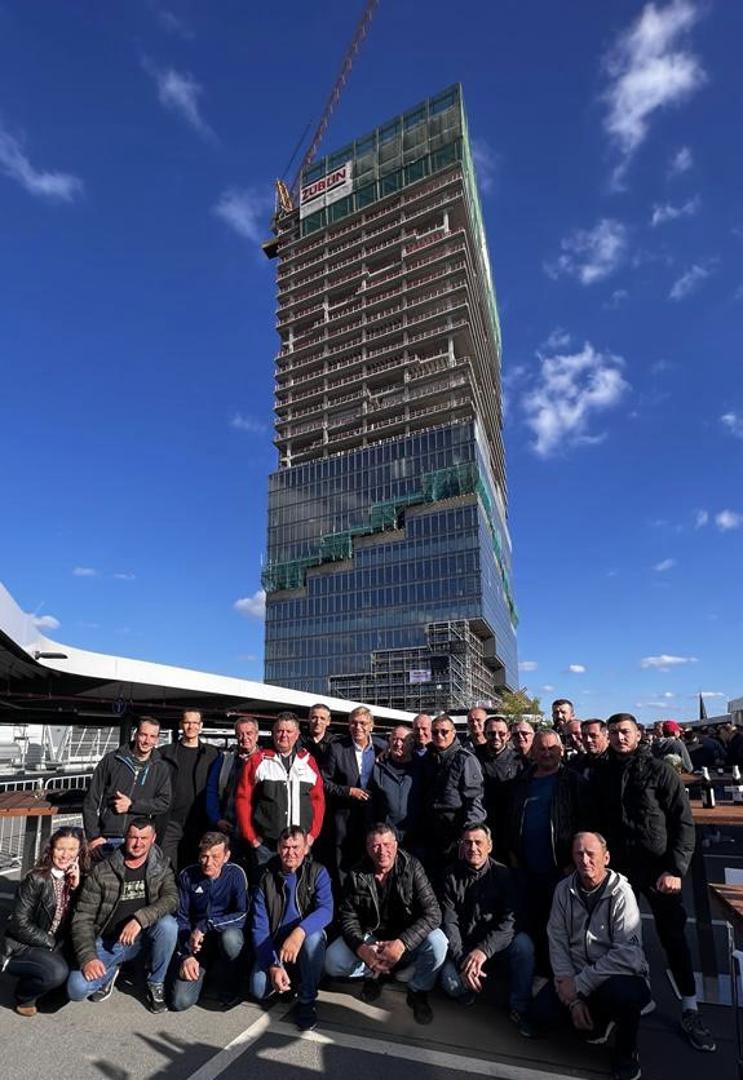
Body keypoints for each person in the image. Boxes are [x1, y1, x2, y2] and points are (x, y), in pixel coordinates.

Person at [592, 713, 716, 1053]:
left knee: (672, 937)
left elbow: (683, 823)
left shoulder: (660, 770)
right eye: (613, 732)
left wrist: (676, 868)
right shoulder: (602, 772)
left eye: (625, 732)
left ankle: (690, 1007)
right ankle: (634, 1000)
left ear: (638, 735)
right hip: (619, 871)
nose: (619, 737)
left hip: (659, 870)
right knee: (621, 939)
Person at [545, 832, 651, 1080]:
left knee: (625, 996)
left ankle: (626, 1054)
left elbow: (628, 955)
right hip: (578, 975)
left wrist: (579, 985)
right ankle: (597, 1023)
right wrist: (572, 998)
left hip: (614, 976)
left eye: (591, 854)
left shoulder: (622, 893)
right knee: (539, 1016)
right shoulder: (563, 889)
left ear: (606, 857)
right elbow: (557, 942)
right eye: (579, 854)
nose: (585, 860)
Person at [325, 823, 447, 1024]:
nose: (382, 851)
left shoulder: (412, 867)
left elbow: (433, 913)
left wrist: (402, 943)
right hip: (373, 939)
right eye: (375, 846)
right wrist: (362, 950)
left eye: (387, 845)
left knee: (439, 942)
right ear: (367, 848)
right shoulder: (356, 873)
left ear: (396, 845)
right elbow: (348, 917)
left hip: (406, 940)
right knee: (332, 961)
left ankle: (418, 990)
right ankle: (377, 974)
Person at [67, 818, 178, 1013]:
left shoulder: (161, 865)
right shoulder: (103, 870)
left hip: (144, 940)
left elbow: (172, 898)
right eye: (133, 837)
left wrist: (140, 919)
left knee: (168, 925)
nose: (138, 843)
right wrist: (89, 957)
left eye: (144, 838)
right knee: (76, 989)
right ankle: (111, 970)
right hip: (110, 942)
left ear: (153, 838)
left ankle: (156, 982)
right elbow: (82, 917)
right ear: (125, 837)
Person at [440, 825, 535, 1036]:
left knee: (524, 945)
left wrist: (484, 950)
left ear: (489, 846)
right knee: (452, 985)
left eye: (478, 842)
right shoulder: (450, 876)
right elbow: (450, 923)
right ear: (461, 846)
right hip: (464, 949)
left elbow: (511, 922)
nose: (473, 848)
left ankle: (520, 1007)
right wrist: (463, 961)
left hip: (494, 948)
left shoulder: (504, 875)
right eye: (467, 843)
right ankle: (471, 983)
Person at [506, 730, 590, 971]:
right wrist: (513, 853)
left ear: (561, 751)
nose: (546, 753)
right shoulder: (521, 781)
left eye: (551, 748)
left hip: (561, 869)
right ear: (532, 752)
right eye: (541, 749)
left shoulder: (574, 782)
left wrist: (574, 862)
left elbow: (586, 823)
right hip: (526, 867)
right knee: (531, 921)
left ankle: (559, 975)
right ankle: (536, 972)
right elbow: (509, 817)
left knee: (560, 926)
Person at [250, 826, 333, 1032]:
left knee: (315, 938)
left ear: (306, 848)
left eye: (296, 847)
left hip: (304, 943)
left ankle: (306, 1000)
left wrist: (299, 932)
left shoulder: (318, 872)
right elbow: (259, 929)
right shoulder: (266, 878)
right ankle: (291, 978)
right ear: (278, 848)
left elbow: (326, 910)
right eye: (285, 847)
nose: (291, 853)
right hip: (277, 947)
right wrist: (273, 965)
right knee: (259, 989)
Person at [1, 827, 89, 1016]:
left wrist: (77, 888)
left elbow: (82, 918)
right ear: (51, 849)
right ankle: (23, 994)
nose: (65, 855)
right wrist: (50, 943)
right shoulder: (36, 878)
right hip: (25, 944)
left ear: (79, 851)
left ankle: (40, 979)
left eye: (72, 849)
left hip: (55, 944)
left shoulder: (78, 878)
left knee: (56, 1001)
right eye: (60, 849)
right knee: (56, 973)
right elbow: (19, 923)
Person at [235, 712, 324, 881]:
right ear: (273, 733)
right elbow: (242, 800)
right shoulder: (258, 761)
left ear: (297, 734)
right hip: (267, 845)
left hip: (299, 845)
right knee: (264, 887)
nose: (284, 736)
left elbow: (318, 801)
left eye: (289, 731)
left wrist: (312, 834)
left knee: (299, 887)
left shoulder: (308, 762)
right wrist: (252, 837)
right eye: (279, 731)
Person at [171, 831, 248, 1011]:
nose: (208, 862)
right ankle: (201, 974)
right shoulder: (188, 875)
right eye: (204, 856)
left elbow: (242, 914)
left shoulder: (236, 874)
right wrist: (186, 954)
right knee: (180, 1002)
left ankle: (231, 984)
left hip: (223, 933)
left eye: (215, 857)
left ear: (226, 856)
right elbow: (181, 917)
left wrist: (208, 925)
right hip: (196, 942)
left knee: (231, 939)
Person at [82, 716, 171, 860]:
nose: (147, 741)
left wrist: (132, 805)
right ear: (135, 735)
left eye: (152, 736)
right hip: (107, 838)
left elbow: (164, 803)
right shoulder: (112, 760)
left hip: (139, 839)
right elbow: (91, 799)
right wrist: (93, 837)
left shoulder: (161, 768)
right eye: (143, 735)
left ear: (157, 740)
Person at [418, 714, 485, 886]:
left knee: (455, 885)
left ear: (454, 733)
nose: (439, 736)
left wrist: (469, 838)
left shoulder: (465, 759)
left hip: (455, 835)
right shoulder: (428, 758)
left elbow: (474, 800)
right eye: (435, 732)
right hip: (430, 835)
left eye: (444, 732)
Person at [321, 706, 385, 886]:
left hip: (373, 816)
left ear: (371, 726)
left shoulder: (382, 747)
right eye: (354, 723)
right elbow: (324, 782)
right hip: (345, 817)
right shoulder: (337, 748)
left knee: (372, 860)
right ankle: (345, 897)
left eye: (363, 723)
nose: (358, 727)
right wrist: (348, 791)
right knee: (344, 864)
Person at [159, 710, 219, 871]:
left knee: (196, 868)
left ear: (201, 726)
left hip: (200, 822)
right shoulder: (164, 753)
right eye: (187, 722)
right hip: (170, 821)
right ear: (181, 725)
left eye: (195, 723)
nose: (191, 726)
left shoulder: (212, 754)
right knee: (166, 868)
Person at [205, 715, 261, 867]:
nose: (245, 738)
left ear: (257, 735)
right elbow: (212, 791)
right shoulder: (225, 760)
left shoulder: (267, 761)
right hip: (229, 828)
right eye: (240, 734)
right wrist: (216, 819)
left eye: (249, 733)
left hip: (256, 830)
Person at [476, 715, 523, 858]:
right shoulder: (472, 757)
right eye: (491, 733)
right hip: (481, 823)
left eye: (501, 733)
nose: (496, 737)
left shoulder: (519, 761)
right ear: (484, 734)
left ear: (508, 736)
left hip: (509, 826)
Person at [368, 726, 420, 844]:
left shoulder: (421, 767)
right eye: (394, 739)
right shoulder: (379, 767)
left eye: (403, 740)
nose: (397, 743)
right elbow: (372, 803)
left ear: (412, 743)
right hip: (386, 837)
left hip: (416, 836)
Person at [299, 703, 338, 771]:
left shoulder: (336, 744)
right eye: (314, 717)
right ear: (308, 718)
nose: (318, 722)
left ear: (328, 721)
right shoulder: (297, 741)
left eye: (322, 718)